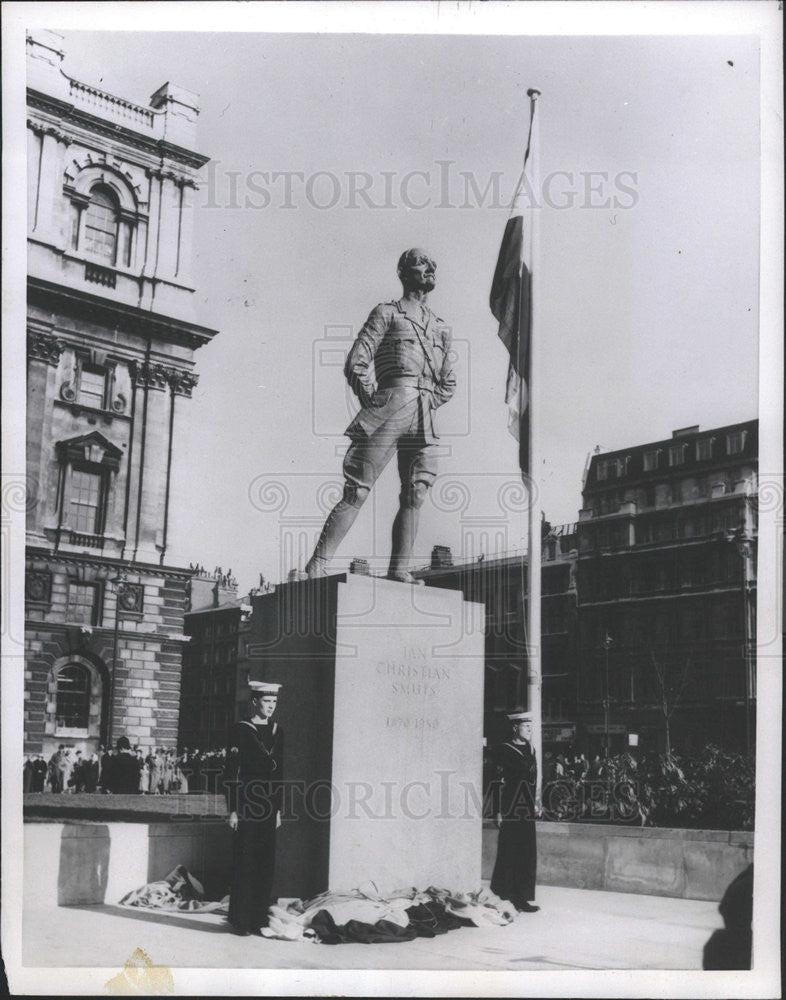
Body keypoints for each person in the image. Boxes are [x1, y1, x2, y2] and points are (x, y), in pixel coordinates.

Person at [305, 248, 456, 584]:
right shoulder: (387, 313)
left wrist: (430, 400)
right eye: (421, 263)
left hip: (424, 413)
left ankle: (398, 568)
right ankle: (317, 563)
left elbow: (449, 380)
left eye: (432, 265)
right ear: (403, 272)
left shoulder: (441, 327)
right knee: (358, 488)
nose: (430, 268)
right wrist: (375, 398)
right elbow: (356, 360)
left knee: (416, 492)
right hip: (391, 404)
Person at [223, 680, 284, 936]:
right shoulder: (240, 730)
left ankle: (259, 918)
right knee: (245, 860)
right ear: (255, 702)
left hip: (268, 805)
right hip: (247, 802)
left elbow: (280, 771)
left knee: (264, 862)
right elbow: (231, 772)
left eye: (274, 703)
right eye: (267, 702)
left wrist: (278, 808)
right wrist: (233, 809)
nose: (271, 707)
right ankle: (240, 920)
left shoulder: (278, 730)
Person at [490, 711, 539, 914]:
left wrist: (536, 801)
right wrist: (497, 811)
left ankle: (523, 898)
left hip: (526, 808)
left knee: (527, 852)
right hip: (510, 806)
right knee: (509, 851)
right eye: (526, 726)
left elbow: (533, 779)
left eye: (530, 727)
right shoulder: (504, 750)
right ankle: (506, 896)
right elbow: (497, 782)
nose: (529, 730)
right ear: (515, 728)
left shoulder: (531, 749)